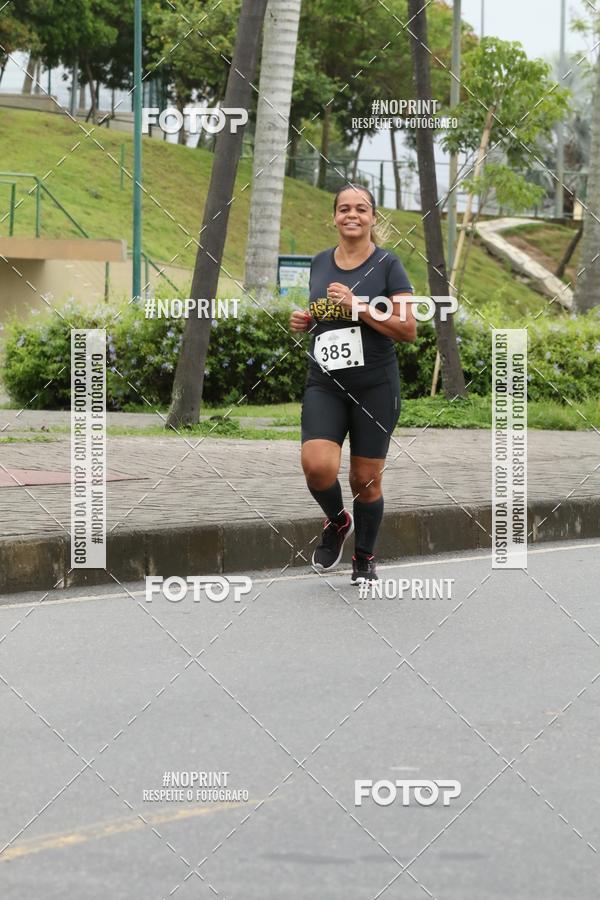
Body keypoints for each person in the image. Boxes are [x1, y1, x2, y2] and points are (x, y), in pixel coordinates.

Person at [290, 185, 417, 583]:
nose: (352, 215)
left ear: (372, 218)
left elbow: (407, 329)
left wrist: (358, 306)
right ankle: (337, 521)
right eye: (344, 208)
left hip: (375, 387)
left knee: (365, 479)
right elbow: (325, 314)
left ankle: (364, 556)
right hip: (325, 383)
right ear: (334, 217)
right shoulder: (319, 262)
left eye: (361, 209)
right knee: (317, 467)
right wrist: (308, 321)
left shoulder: (388, 265)